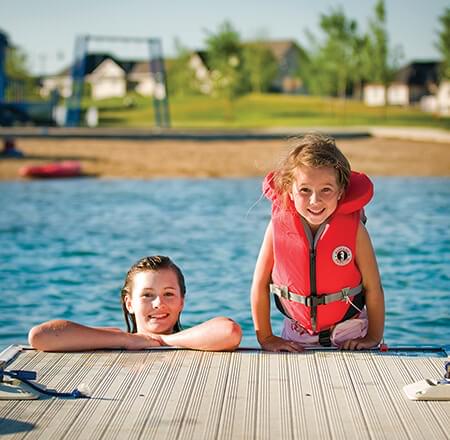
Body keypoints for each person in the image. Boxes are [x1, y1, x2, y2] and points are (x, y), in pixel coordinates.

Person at [251, 133, 385, 352]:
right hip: (297, 335)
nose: (315, 200)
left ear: (340, 191)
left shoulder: (355, 231)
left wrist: (372, 337)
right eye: (305, 190)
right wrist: (266, 337)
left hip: (352, 333)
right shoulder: (277, 229)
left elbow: (374, 288)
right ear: (290, 192)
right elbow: (259, 285)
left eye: (326, 190)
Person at [29, 255, 242, 352]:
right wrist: (126, 340)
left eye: (168, 294)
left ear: (182, 302)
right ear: (129, 303)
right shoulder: (116, 337)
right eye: (147, 295)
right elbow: (40, 336)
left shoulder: (196, 338)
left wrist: (161, 340)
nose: (158, 303)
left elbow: (229, 331)